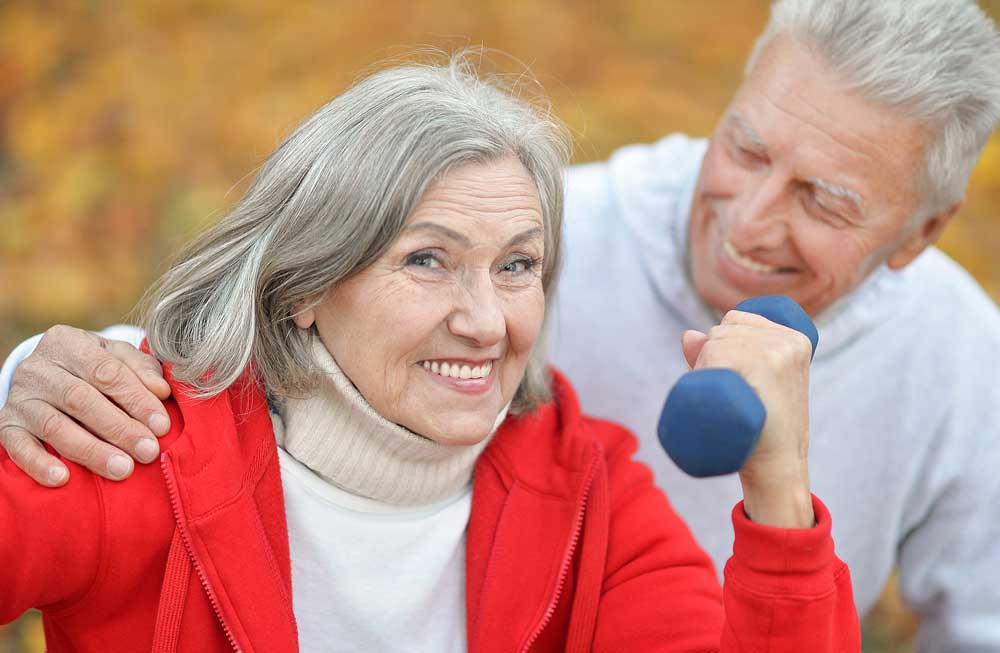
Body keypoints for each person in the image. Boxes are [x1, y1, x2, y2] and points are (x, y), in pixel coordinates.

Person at [3, 0, 999, 649]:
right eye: (428, 258)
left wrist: (779, 490)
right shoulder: (147, 454)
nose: (486, 317)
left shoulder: (597, 496)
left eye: (520, 266)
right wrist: (30, 384)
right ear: (308, 280)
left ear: (920, 232)